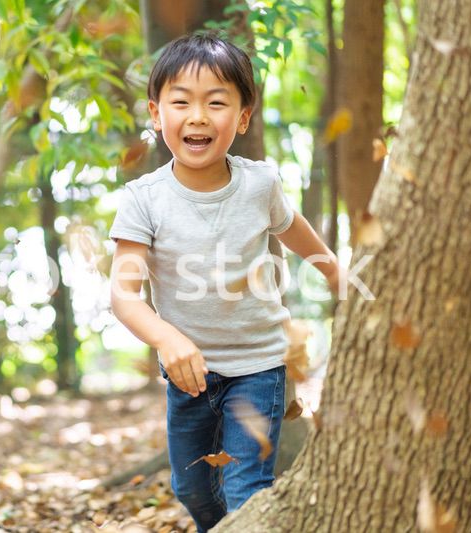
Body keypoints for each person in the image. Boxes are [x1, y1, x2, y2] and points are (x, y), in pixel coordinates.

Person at [108, 32, 341, 532]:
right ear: (155, 114)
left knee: (246, 487)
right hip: (188, 375)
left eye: (216, 103)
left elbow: (296, 232)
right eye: (181, 102)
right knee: (190, 486)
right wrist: (168, 339)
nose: (197, 116)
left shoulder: (261, 184)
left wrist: (337, 273)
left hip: (259, 365)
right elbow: (123, 295)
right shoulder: (143, 199)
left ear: (241, 118)